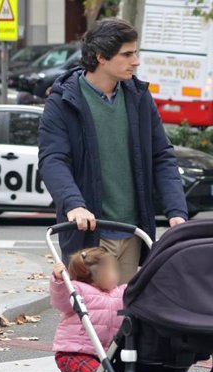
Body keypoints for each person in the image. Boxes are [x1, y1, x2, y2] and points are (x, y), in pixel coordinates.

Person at [38, 18, 188, 283]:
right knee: (89, 319)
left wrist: (176, 213)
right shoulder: (63, 101)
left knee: (122, 317)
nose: (136, 61)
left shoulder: (138, 97)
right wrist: (74, 204)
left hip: (132, 232)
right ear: (101, 57)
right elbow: (53, 159)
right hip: (90, 233)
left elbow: (162, 156)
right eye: (127, 54)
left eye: (135, 53)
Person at [51, 247, 126, 372]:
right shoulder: (78, 289)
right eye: (112, 271)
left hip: (102, 355)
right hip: (71, 353)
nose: (116, 275)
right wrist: (59, 279)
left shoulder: (117, 293)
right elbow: (60, 299)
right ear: (96, 275)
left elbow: (136, 290)